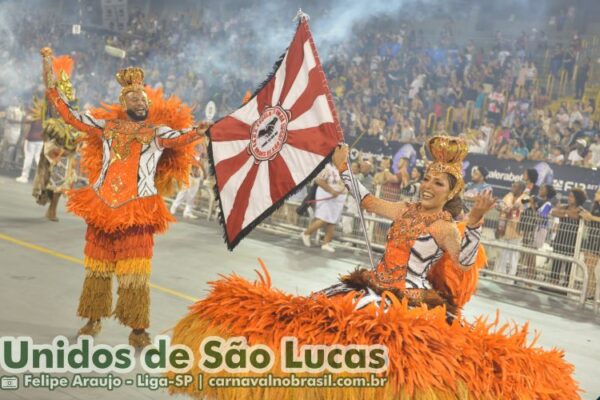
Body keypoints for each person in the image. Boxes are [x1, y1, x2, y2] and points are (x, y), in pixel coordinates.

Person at [169, 136, 579, 399]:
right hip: (369, 285)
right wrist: (345, 169)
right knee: (315, 326)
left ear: (452, 192)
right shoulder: (404, 208)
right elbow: (367, 202)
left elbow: (466, 259)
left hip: (408, 301)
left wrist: (473, 224)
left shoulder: (443, 224)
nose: (427, 185)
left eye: (438, 183)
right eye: (426, 178)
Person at [41, 47, 209, 348]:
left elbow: (181, 136)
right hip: (102, 208)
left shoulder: (157, 132)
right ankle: (92, 320)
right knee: (97, 269)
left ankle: (138, 329)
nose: (140, 100)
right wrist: (53, 88)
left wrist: (198, 131)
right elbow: (71, 116)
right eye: (134, 98)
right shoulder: (107, 127)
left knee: (135, 273)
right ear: (123, 103)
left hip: (138, 210)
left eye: (144, 98)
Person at [31, 56, 82, 221]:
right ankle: (49, 206)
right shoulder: (52, 100)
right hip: (54, 144)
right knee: (52, 177)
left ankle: (52, 210)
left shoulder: (72, 106)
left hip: (68, 146)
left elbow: (77, 123)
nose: (69, 92)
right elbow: (48, 84)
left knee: (62, 180)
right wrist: (46, 62)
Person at [301, 162, 347, 253]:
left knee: (332, 221)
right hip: (327, 196)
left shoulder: (344, 168)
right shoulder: (327, 167)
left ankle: (326, 243)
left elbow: (346, 183)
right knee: (324, 219)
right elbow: (319, 180)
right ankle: (306, 233)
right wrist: (332, 191)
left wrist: (341, 190)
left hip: (338, 198)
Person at [549, 188, 587, 286]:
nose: (569, 198)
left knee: (570, 267)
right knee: (556, 264)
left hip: (573, 243)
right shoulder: (565, 207)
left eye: (571, 196)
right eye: (569, 196)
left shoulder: (581, 210)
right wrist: (567, 213)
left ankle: (567, 287)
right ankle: (552, 285)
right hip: (560, 239)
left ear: (577, 199)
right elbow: (553, 212)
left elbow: (577, 216)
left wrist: (564, 214)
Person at [494, 181, 527, 282]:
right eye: (513, 185)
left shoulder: (526, 198)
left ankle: (510, 279)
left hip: (517, 230)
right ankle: (499, 276)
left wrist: (515, 208)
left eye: (515, 186)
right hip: (504, 228)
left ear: (521, 189)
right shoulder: (508, 195)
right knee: (502, 253)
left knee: (513, 255)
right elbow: (499, 206)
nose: (512, 187)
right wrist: (502, 208)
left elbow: (527, 209)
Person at [169, 144, 206, 219]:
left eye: (201, 148)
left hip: (197, 178)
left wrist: (204, 174)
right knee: (183, 192)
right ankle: (174, 207)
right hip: (188, 176)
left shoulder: (201, 157)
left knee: (192, 195)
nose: (200, 150)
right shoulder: (190, 155)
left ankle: (188, 212)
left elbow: (202, 166)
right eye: (199, 148)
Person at [580, 189, 600, 299]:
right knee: (587, 265)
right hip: (591, 237)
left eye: (598, 193)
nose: (595, 195)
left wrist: (591, 217)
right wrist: (587, 217)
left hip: (598, 239)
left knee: (591, 265)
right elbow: (592, 219)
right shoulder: (595, 206)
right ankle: (590, 290)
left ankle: (593, 292)